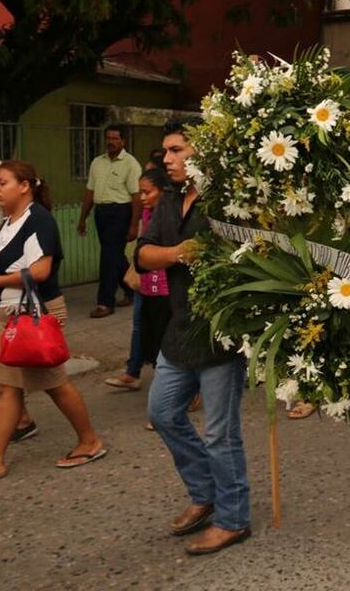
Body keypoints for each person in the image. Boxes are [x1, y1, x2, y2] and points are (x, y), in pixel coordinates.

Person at [0, 161, 106, 481]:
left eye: (2, 182)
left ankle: (89, 441)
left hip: (36, 313)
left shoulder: (39, 220)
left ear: (24, 185)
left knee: (54, 383)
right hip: (14, 314)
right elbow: (1, 269)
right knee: (9, 388)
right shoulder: (9, 223)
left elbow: (40, 272)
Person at [138, 118, 251, 555]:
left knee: (222, 434)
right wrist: (178, 254)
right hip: (179, 328)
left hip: (220, 334)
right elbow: (143, 254)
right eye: (165, 151)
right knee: (163, 412)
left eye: (176, 150)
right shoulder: (167, 200)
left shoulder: (228, 201)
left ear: (200, 151)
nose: (166, 158)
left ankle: (234, 518)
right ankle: (206, 492)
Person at [105, 168, 172, 392]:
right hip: (146, 283)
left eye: (147, 192)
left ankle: (177, 394)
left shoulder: (173, 217)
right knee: (142, 330)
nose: (142, 197)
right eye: (140, 192)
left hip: (167, 288)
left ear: (163, 192)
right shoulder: (147, 214)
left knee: (167, 341)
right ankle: (134, 372)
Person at [77, 124, 142, 319]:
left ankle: (105, 302)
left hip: (120, 212)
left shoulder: (131, 164)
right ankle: (131, 289)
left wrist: (133, 225)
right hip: (101, 213)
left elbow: (137, 197)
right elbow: (90, 191)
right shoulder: (97, 162)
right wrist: (83, 218)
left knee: (108, 258)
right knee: (114, 256)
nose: (111, 142)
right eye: (108, 138)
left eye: (115, 139)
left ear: (123, 141)